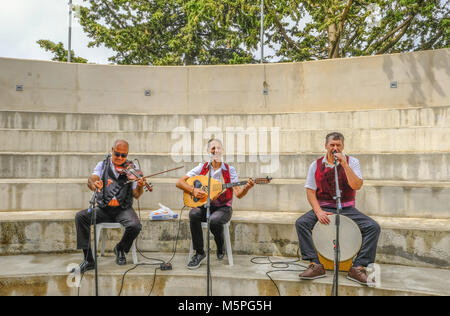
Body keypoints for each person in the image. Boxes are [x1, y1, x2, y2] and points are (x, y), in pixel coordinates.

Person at [295, 132, 380, 285]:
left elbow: (357, 185)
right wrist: (318, 211)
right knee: (301, 223)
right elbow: (310, 191)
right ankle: (315, 265)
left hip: (346, 208)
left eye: (338, 145)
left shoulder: (352, 162)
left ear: (342, 146)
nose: (335, 148)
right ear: (326, 146)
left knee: (373, 227)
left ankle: (358, 268)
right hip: (324, 207)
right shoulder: (315, 165)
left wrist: (344, 165)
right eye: (332, 145)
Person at [176, 138, 254, 269]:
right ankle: (200, 253)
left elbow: (239, 194)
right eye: (213, 148)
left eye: (218, 148)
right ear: (208, 151)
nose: (216, 150)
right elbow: (179, 182)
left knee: (214, 220)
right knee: (194, 213)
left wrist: (246, 187)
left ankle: (220, 243)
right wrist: (193, 190)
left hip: (223, 208)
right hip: (205, 205)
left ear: (222, 151)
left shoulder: (230, 170)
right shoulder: (202, 167)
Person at [74, 139, 149, 273]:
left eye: (124, 155)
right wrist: (94, 184)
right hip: (104, 209)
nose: (120, 158)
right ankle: (88, 260)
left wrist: (140, 186)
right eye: (117, 154)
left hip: (123, 209)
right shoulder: (102, 165)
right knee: (80, 217)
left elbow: (136, 195)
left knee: (135, 226)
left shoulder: (132, 170)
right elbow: (92, 179)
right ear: (112, 150)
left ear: (127, 154)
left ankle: (120, 248)